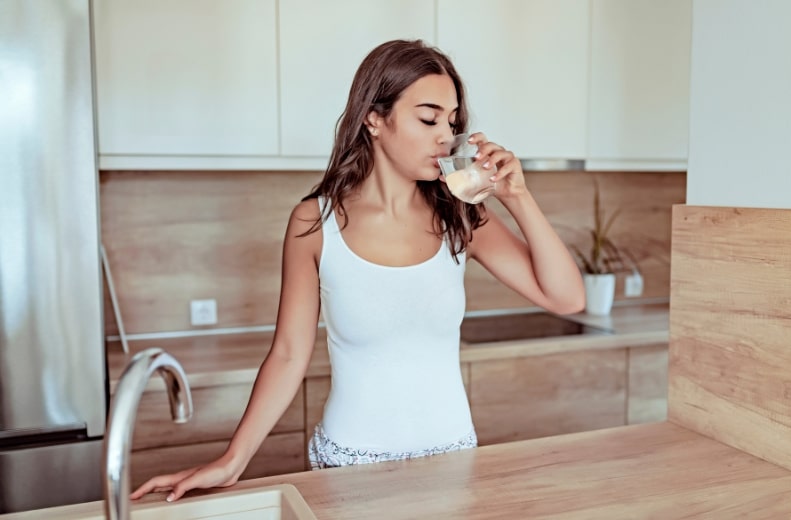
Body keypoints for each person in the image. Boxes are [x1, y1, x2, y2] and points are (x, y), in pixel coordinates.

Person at [131, 39, 585, 502]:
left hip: (453, 461)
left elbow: (567, 299)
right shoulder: (315, 223)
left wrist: (517, 197)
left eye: (451, 122)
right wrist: (232, 461)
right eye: (428, 118)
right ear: (374, 118)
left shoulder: (462, 219)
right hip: (348, 467)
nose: (445, 136)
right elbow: (289, 353)